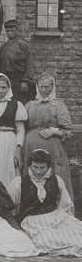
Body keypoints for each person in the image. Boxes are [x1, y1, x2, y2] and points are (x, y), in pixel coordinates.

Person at [7, 150, 82, 257]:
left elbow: (65, 206)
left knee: (75, 235)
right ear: (30, 165)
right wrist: (16, 228)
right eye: (35, 167)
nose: (38, 171)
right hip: (33, 222)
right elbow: (9, 207)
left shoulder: (57, 180)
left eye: (42, 168)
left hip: (56, 218)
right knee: (47, 241)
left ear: (48, 167)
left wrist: (72, 223)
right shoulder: (19, 182)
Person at [23, 73, 75, 206]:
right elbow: (22, 127)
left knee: (53, 177)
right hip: (31, 147)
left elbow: (67, 131)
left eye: (47, 86)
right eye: (41, 86)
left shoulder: (58, 105)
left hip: (53, 148)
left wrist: (53, 132)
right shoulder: (30, 105)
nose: (44, 90)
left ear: (53, 87)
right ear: (37, 87)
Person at [0, 19, 35, 104]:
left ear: (17, 31)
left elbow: (29, 64)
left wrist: (25, 81)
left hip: (19, 80)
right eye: (7, 31)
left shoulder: (24, 45)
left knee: (20, 104)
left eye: (12, 31)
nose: (9, 33)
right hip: (6, 80)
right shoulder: (3, 47)